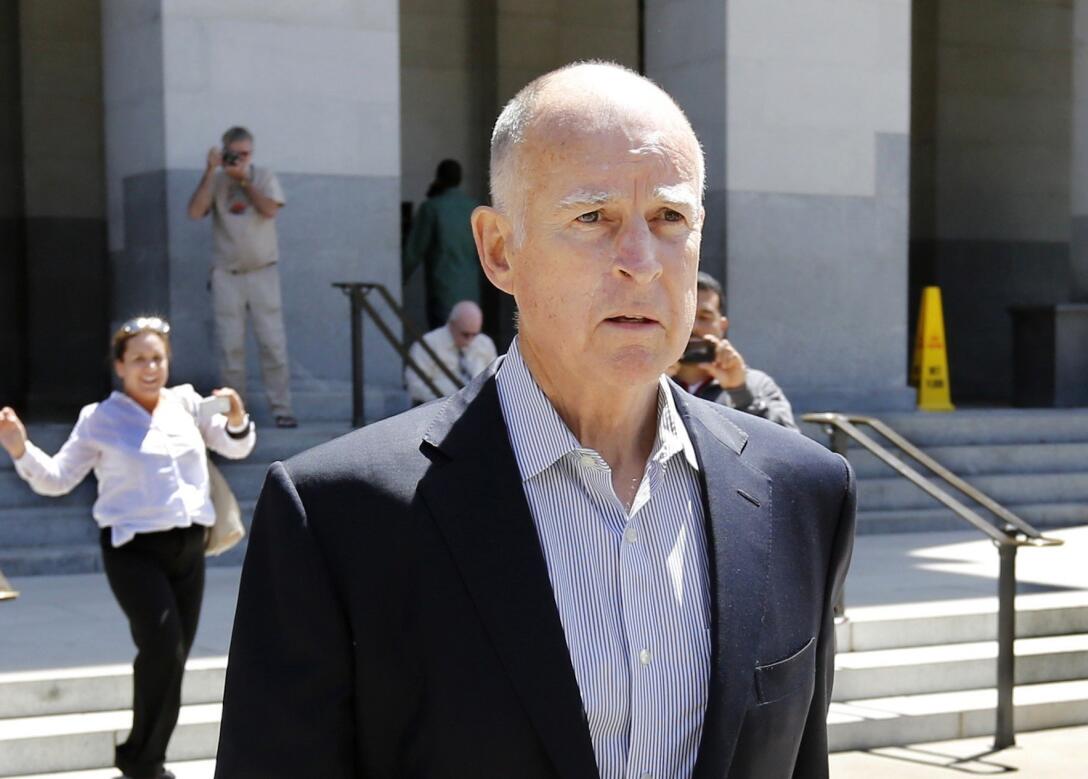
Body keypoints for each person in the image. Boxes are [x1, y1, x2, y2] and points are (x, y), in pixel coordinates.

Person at [216, 62, 854, 779]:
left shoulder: (804, 493)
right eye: (593, 217)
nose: (641, 262)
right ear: (498, 250)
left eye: (670, 218)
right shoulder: (337, 518)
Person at [0, 316, 255, 779]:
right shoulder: (99, 419)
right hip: (133, 549)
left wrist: (237, 420)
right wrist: (20, 449)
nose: (150, 367)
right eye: (138, 358)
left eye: (157, 357)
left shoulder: (186, 406)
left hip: (189, 546)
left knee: (175, 656)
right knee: (161, 647)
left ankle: (148, 757)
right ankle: (144, 761)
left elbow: (236, 449)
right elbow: (58, 479)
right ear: (120, 366)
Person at [186, 126, 297, 428]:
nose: (240, 159)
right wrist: (211, 171)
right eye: (234, 154)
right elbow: (195, 212)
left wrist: (244, 180)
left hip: (262, 271)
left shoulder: (263, 176)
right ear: (223, 152)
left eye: (245, 154)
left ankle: (282, 408)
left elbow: (270, 209)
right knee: (229, 347)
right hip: (227, 274)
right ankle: (234, 414)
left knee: (272, 344)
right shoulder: (217, 180)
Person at [672, 271, 799, 430]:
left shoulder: (757, 385)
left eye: (705, 317)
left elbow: (787, 448)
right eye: (685, 316)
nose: (693, 327)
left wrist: (740, 393)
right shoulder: (643, 381)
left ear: (722, 326)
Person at [403, 158, 483, 329]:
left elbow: (413, 252)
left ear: (438, 178)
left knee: (442, 344)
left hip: (443, 291)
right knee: (469, 344)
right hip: (471, 291)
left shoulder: (432, 208)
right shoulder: (474, 208)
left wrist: (397, 279)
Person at [404, 300, 497, 405]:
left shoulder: (484, 343)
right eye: (465, 334)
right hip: (437, 409)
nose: (470, 340)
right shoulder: (428, 344)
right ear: (452, 324)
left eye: (474, 334)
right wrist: (443, 401)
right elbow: (415, 386)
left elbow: (493, 379)